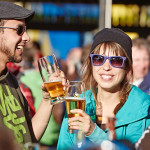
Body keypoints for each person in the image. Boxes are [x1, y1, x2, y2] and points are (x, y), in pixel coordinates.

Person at [57, 28, 150, 150]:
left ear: (127, 67)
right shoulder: (77, 105)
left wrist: (94, 132)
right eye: (98, 59)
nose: (106, 67)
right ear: (91, 64)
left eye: (116, 61)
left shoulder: (143, 107)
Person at [0, 1, 65, 148]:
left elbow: (28, 138)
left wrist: (48, 100)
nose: (27, 37)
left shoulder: (10, 80)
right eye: (19, 30)